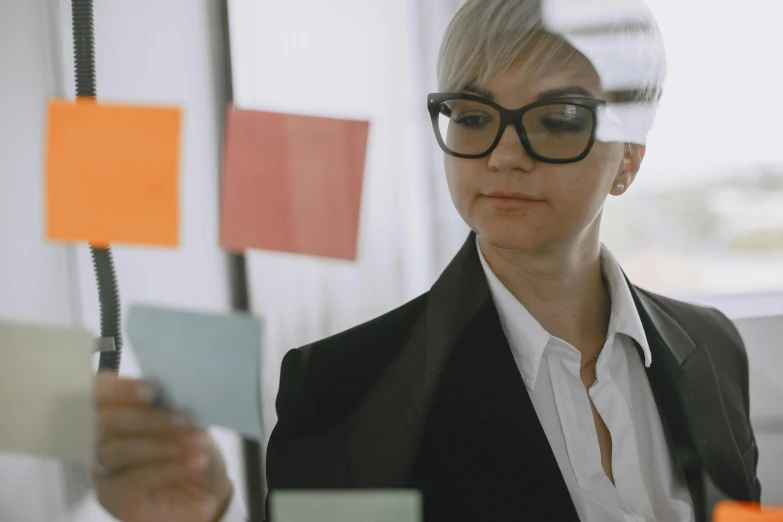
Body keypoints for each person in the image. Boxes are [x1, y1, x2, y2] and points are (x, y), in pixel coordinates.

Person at [94, 0, 761, 521]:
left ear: (629, 159)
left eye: (556, 118)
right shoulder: (344, 386)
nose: (503, 154)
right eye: (472, 115)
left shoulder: (710, 348)